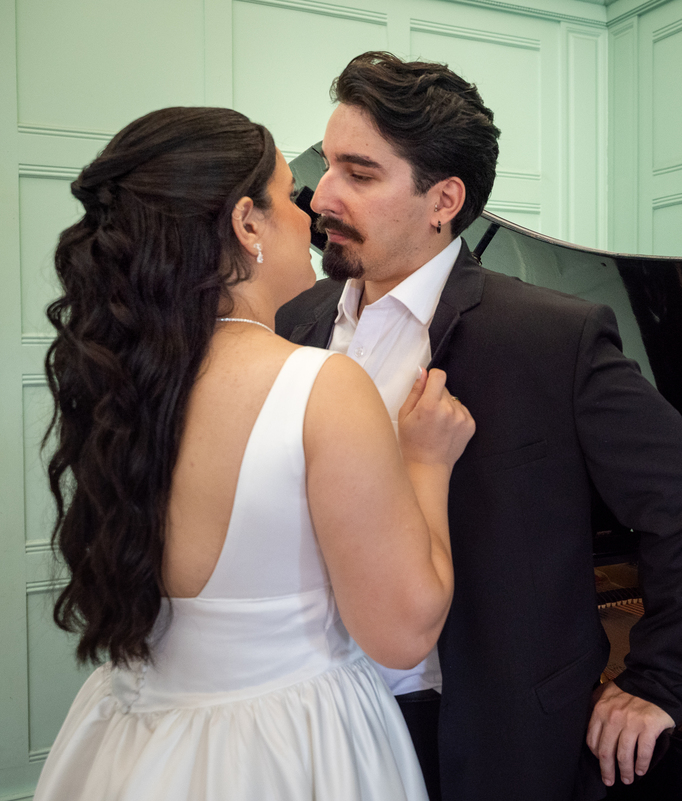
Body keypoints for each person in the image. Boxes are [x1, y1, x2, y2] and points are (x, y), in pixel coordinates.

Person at [276, 52, 682, 801]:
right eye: (327, 166)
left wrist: (659, 678)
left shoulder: (553, 337)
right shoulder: (298, 321)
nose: (320, 194)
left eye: (359, 174)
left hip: (481, 733)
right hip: (309, 719)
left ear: (443, 199)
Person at [33, 106, 474, 801]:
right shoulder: (321, 386)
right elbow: (403, 630)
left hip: (129, 745)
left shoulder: (120, 382)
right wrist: (427, 462)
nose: (312, 211)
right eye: (290, 192)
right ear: (246, 223)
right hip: (292, 748)